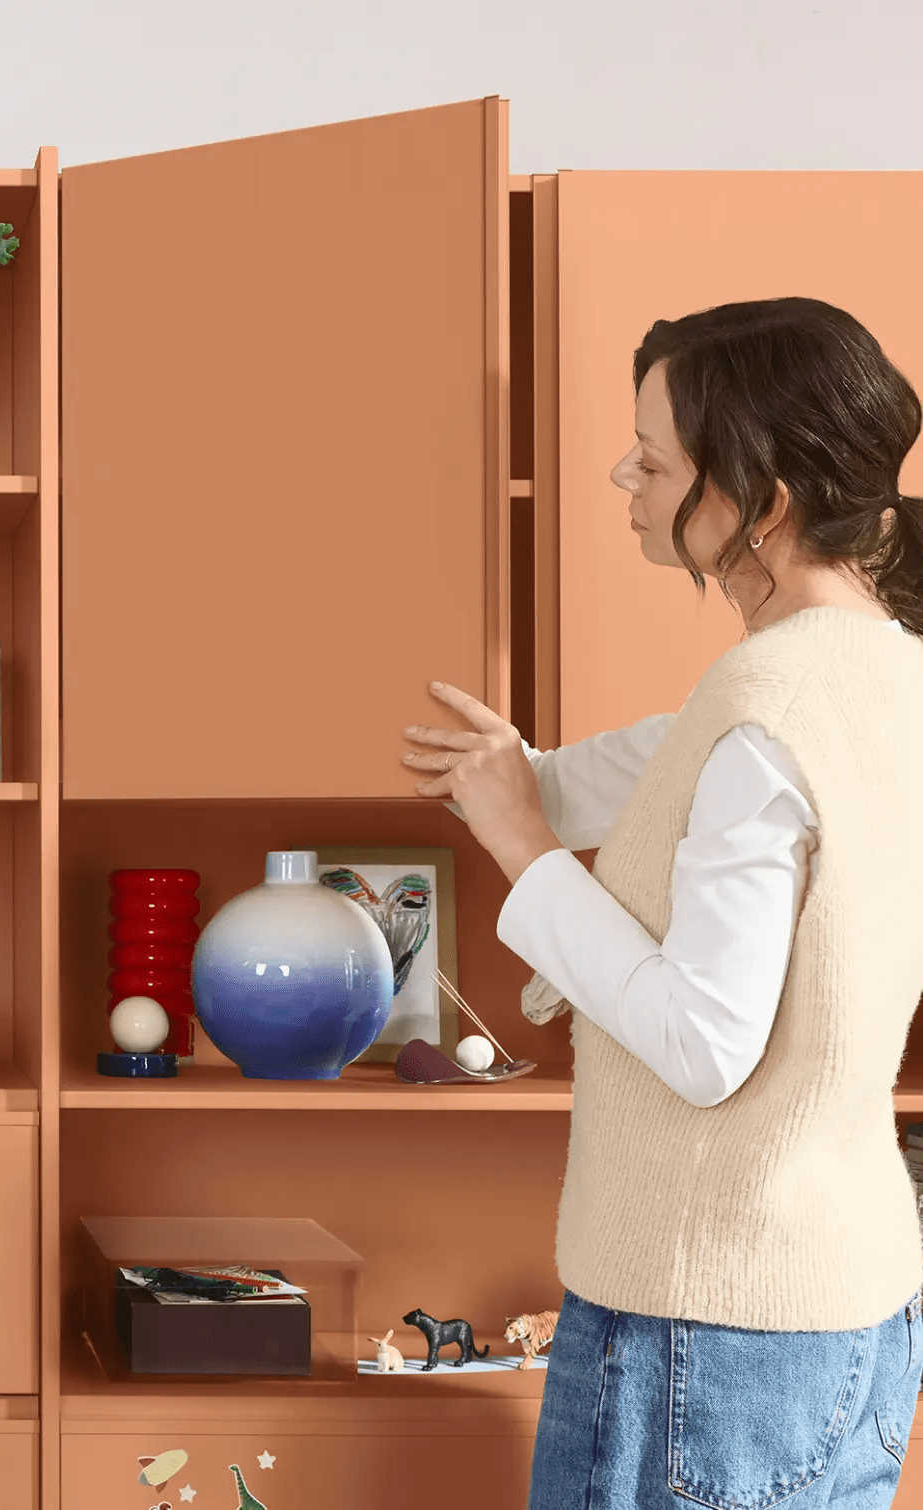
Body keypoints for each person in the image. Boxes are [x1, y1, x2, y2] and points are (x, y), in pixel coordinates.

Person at [404, 297, 923, 1509]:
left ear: (763, 498)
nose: (617, 475)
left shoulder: (761, 711)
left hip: (705, 1329)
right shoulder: (877, 671)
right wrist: (512, 784)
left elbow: (702, 1043)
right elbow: (647, 770)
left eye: (653, 459)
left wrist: (521, 846)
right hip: (845, 1311)